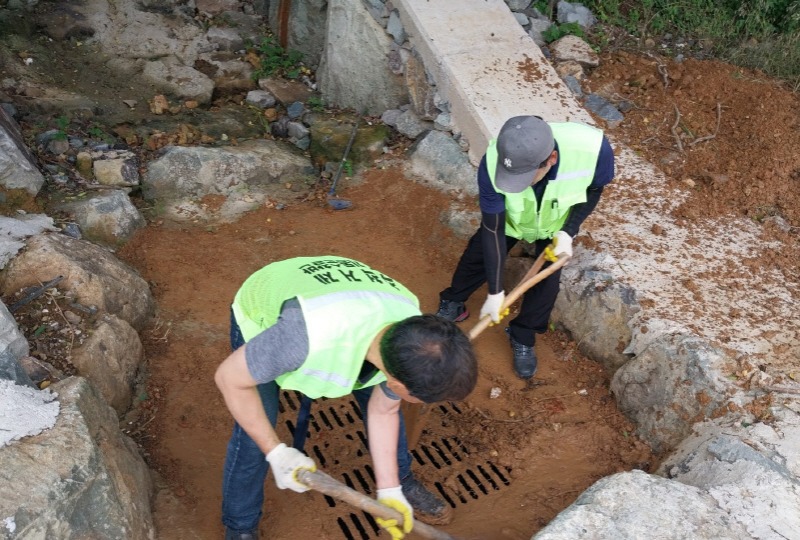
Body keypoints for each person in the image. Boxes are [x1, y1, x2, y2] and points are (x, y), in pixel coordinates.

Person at [215, 255, 478, 540]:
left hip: (341, 301)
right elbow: (229, 379)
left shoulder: (411, 336)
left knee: (382, 405)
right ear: (397, 382)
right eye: (424, 398)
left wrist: (388, 490)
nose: (425, 404)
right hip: (268, 304)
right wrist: (276, 451)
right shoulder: (301, 338)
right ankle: (240, 523)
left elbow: (384, 411)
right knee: (253, 435)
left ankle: (400, 482)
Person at [436, 116, 615, 379]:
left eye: (522, 177)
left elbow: (594, 189)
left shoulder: (593, 149)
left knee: (547, 283)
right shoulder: (494, 159)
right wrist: (496, 293)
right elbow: (493, 229)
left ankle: (523, 335)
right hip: (512, 221)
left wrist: (569, 230)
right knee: (477, 255)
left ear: (551, 159)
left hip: (554, 222)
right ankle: (453, 301)